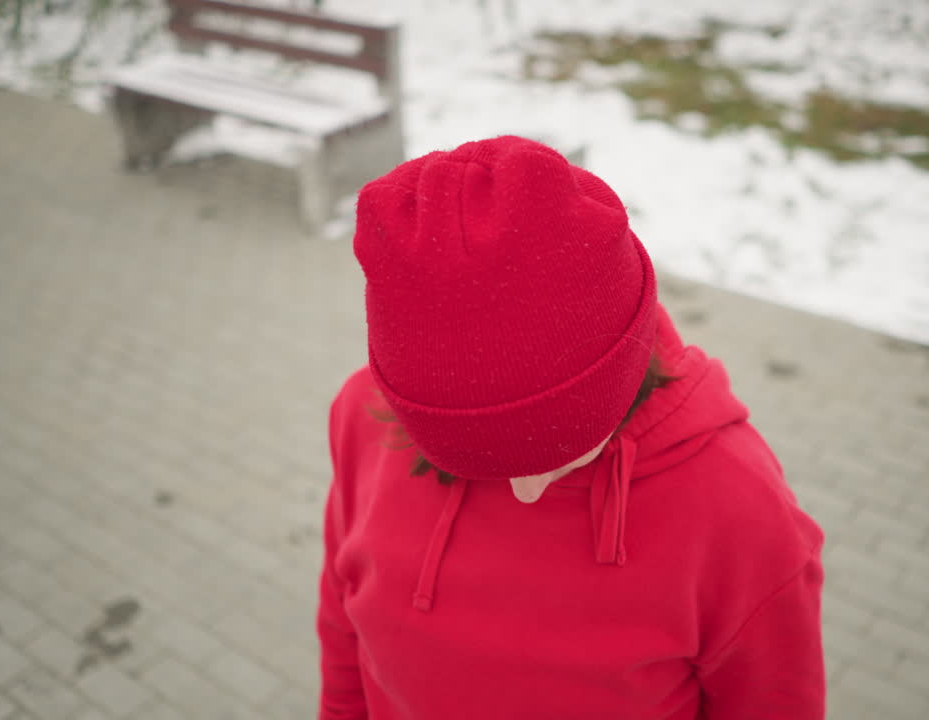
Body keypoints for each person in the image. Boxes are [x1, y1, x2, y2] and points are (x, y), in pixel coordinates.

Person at [318, 136, 825, 720]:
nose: (528, 493)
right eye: (472, 462)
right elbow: (342, 631)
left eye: (565, 450)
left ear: (626, 374)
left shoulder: (739, 512)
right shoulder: (361, 416)